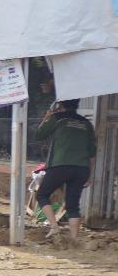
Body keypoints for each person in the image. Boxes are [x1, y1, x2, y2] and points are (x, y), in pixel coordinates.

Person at [35, 99, 97, 241]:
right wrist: (90, 175)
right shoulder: (86, 123)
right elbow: (92, 154)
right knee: (73, 205)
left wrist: (47, 117)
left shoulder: (57, 118)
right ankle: (74, 240)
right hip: (82, 169)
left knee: (42, 195)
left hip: (60, 166)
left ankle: (54, 227)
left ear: (60, 106)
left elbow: (39, 135)